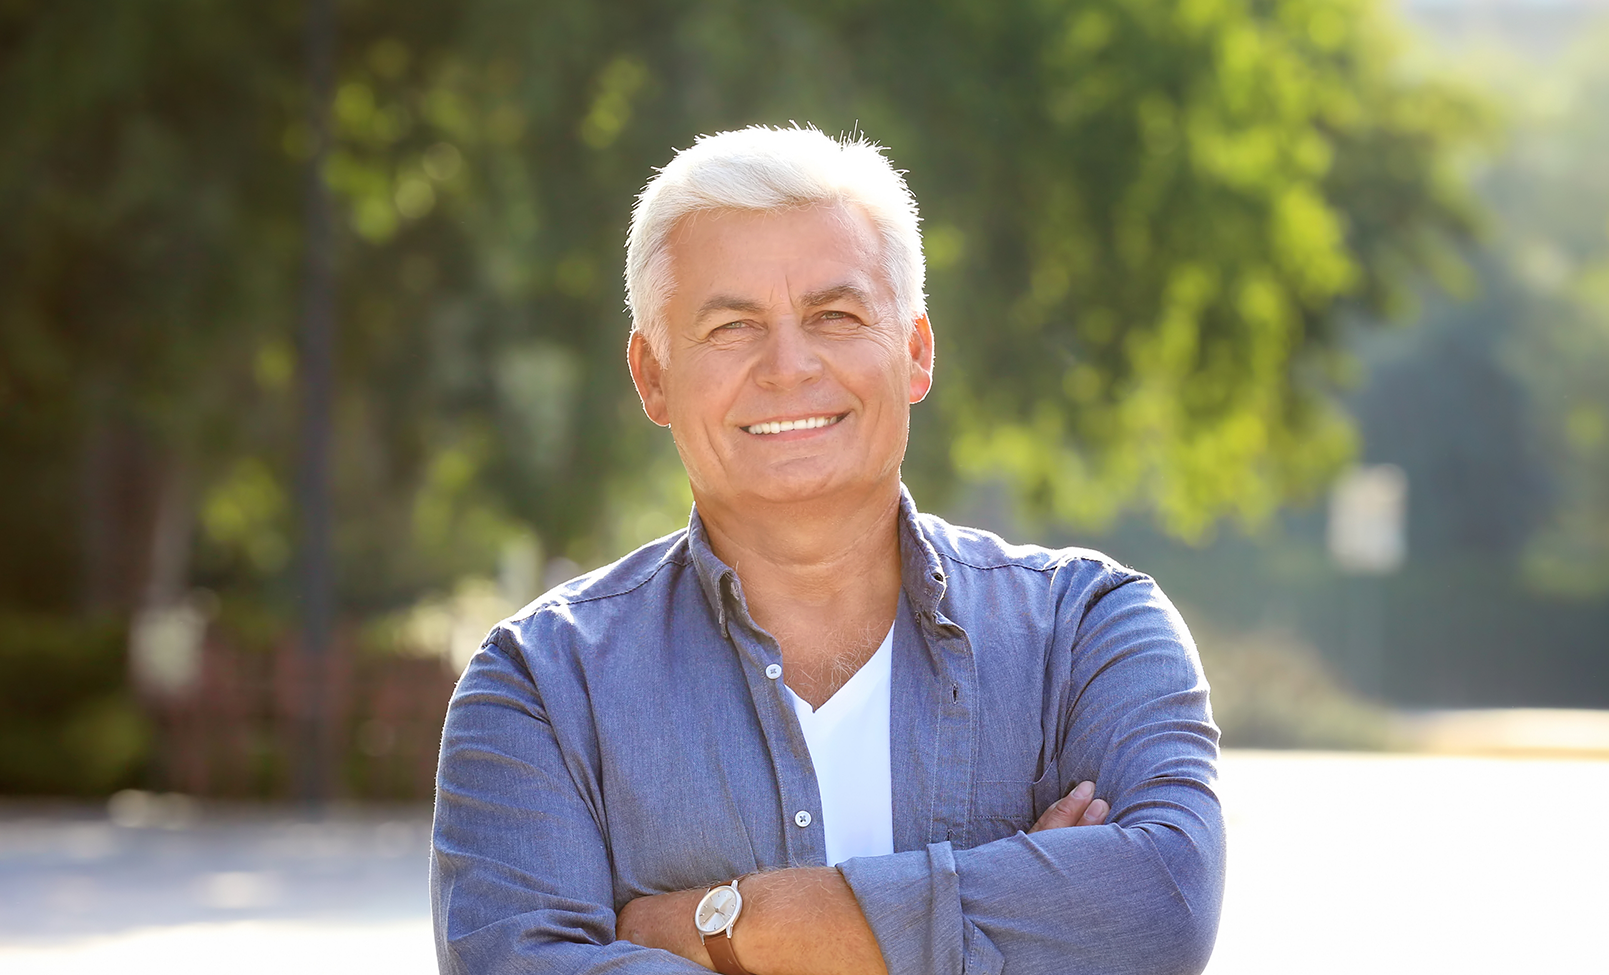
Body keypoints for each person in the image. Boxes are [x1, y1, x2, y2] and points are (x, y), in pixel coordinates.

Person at [430, 125, 1225, 975]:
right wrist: (1007, 918)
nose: (788, 365)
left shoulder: (1090, 633)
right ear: (652, 375)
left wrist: (722, 927)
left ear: (916, 352)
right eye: (732, 326)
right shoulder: (541, 686)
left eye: (834, 315)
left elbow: (1160, 906)